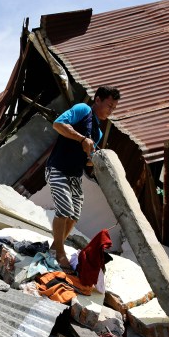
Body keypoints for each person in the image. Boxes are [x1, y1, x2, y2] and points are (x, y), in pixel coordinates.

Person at [45, 85, 120, 270]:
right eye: (109, 106)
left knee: (74, 214)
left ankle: (55, 247)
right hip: (58, 168)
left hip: (75, 175)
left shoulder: (98, 132)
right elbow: (58, 124)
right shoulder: (83, 110)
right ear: (98, 100)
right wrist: (81, 139)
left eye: (113, 108)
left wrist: (93, 162)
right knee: (64, 209)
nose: (110, 111)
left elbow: (87, 158)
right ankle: (60, 253)